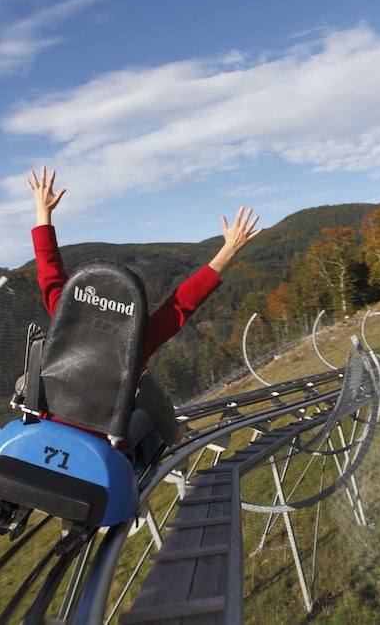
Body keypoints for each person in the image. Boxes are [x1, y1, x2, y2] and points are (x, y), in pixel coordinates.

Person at [26, 166, 262, 455]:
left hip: (51, 428)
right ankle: (160, 451)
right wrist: (229, 250)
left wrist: (43, 212)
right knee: (151, 417)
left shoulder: (66, 318)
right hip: (103, 446)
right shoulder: (139, 337)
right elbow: (182, 302)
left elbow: (49, 272)